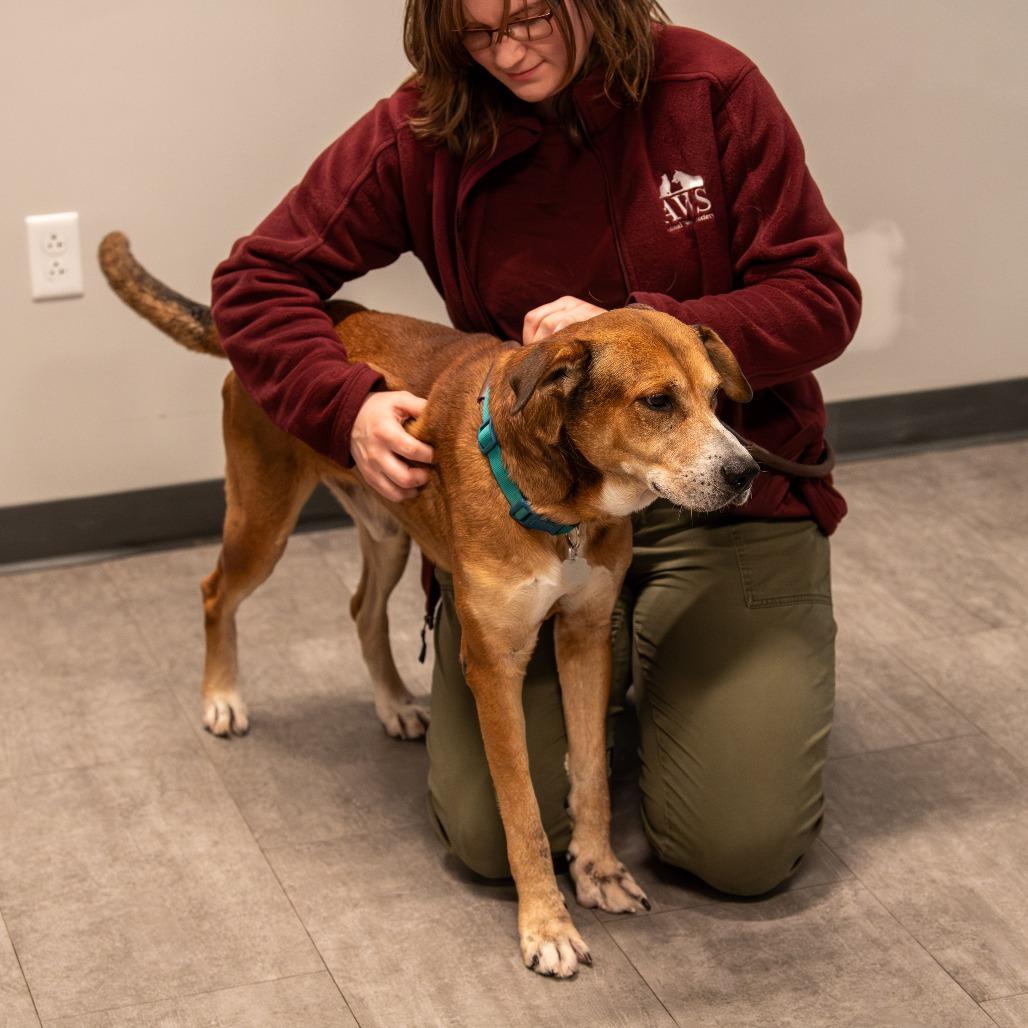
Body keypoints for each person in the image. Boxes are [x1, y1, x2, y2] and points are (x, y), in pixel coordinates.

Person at [210, 0, 861, 896]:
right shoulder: (425, 125)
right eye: (478, 33)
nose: (510, 52)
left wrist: (654, 330)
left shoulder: (711, 87)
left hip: (722, 501)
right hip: (529, 504)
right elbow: (255, 283)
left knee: (739, 851)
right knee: (484, 842)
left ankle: (647, 662)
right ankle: (608, 651)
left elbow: (823, 295)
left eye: (531, 16)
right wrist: (343, 407)